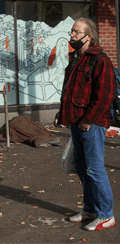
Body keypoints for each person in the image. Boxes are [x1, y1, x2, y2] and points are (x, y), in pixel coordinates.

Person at [58, 18, 116, 231]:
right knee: (82, 168)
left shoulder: (100, 59)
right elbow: (71, 91)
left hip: (91, 124)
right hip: (77, 122)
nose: (72, 35)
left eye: (76, 31)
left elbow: (105, 95)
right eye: (72, 31)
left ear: (88, 36)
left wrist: (87, 120)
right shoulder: (76, 58)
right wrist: (64, 116)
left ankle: (106, 215)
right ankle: (90, 209)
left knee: (94, 169)